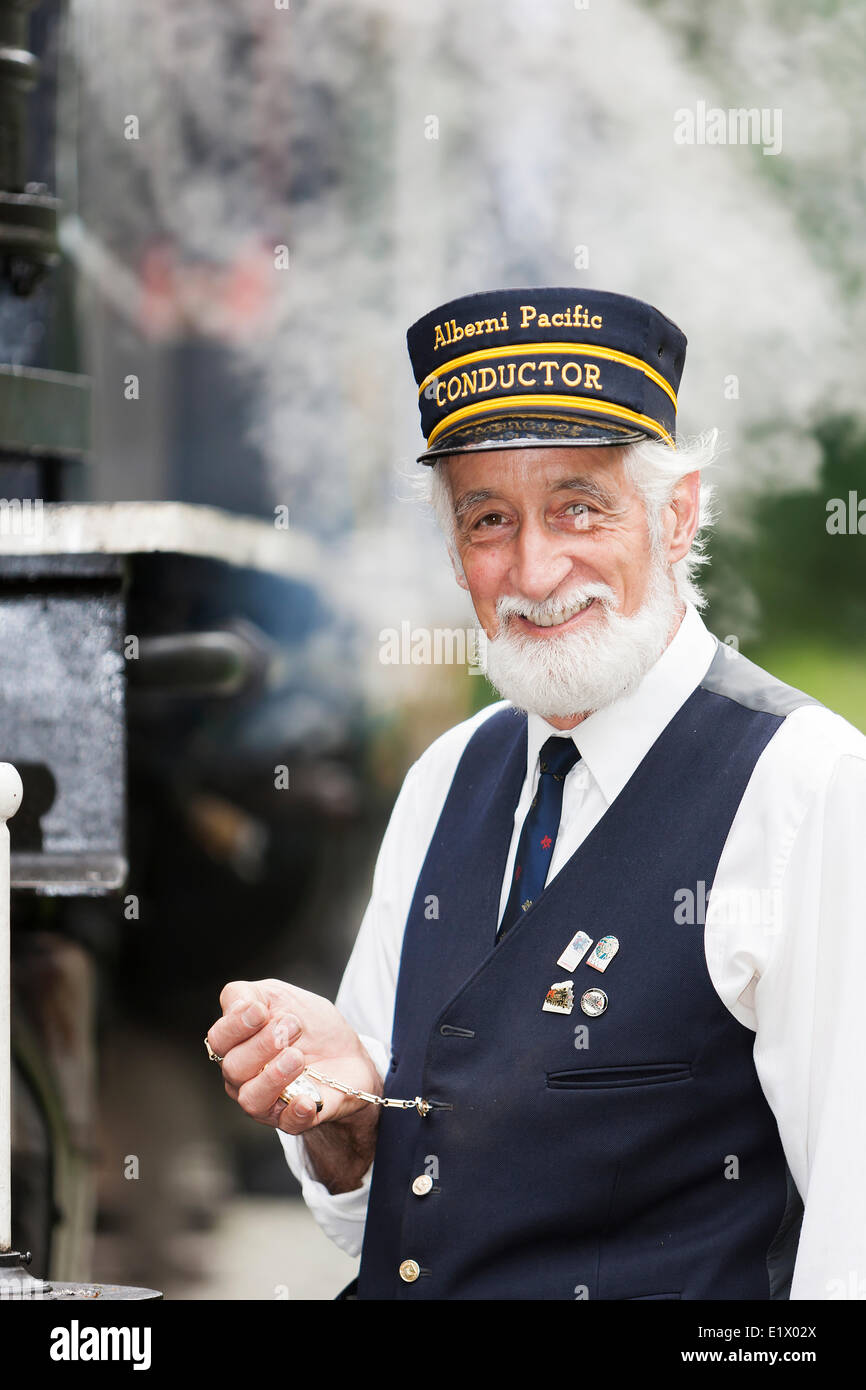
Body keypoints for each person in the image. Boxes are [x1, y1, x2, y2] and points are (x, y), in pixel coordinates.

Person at [206, 287, 866, 1300]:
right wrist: (344, 1115)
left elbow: (849, 1234)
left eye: (577, 507)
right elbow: (378, 1213)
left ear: (675, 512)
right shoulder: (446, 776)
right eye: (487, 520)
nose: (533, 567)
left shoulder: (803, 783)